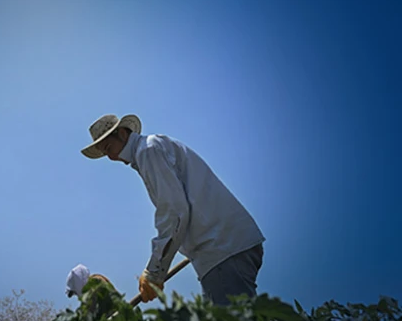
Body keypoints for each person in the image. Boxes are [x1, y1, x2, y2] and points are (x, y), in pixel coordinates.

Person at [80, 114, 266, 306]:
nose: (111, 158)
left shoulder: (148, 151)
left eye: (109, 148)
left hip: (221, 250)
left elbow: (174, 212)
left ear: (121, 133)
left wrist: (154, 271)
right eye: (105, 153)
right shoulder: (152, 149)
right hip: (223, 249)